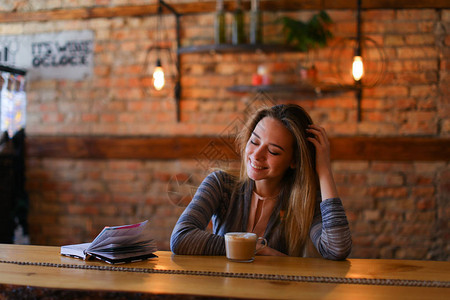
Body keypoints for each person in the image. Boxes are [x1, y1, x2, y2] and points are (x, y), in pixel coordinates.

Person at [170, 104, 352, 260]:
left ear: (294, 161)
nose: (256, 155)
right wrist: (254, 247)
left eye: (273, 151)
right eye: (255, 142)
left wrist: (324, 170)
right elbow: (181, 238)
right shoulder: (221, 184)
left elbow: (336, 249)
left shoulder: (305, 200)